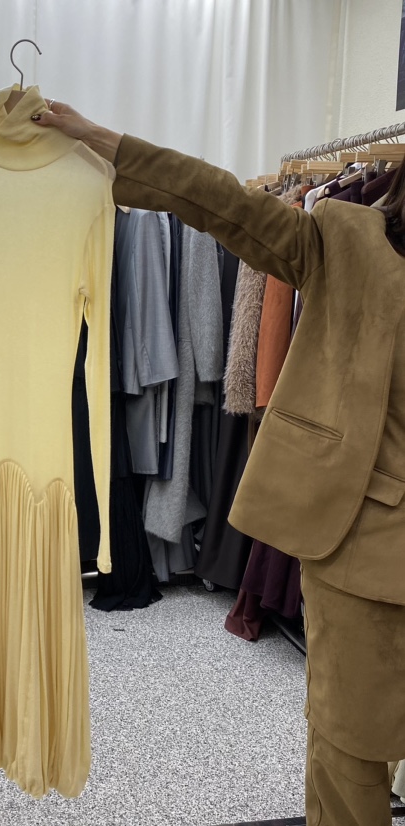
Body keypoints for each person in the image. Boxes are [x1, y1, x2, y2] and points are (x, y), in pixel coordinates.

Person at [35, 101, 405, 826]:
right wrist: (103, 142)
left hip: (361, 539)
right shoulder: (345, 239)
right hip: (363, 545)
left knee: (346, 748)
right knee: (349, 748)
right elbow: (222, 202)